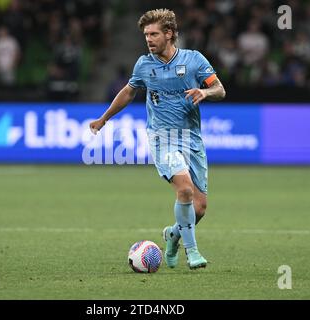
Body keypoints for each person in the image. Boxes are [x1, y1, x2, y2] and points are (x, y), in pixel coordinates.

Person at [89, 9, 226, 269]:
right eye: (145, 35)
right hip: (161, 137)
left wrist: (205, 93)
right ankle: (192, 251)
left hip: (191, 137)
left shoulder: (194, 60)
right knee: (184, 189)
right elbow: (129, 92)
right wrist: (104, 118)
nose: (149, 40)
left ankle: (173, 235)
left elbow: (220, 89)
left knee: (200, 208)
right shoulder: (144, 64)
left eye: (153, 34)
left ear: (169, 34)